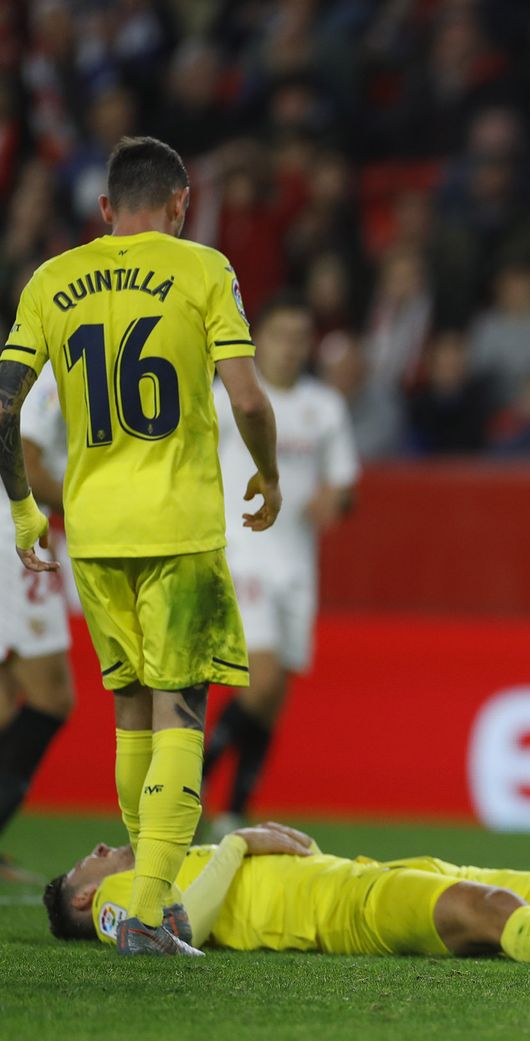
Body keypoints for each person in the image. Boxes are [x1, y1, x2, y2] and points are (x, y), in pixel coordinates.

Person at [0, 135, 282, 957]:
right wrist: (269, 473)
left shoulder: (52, 280)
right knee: (180, 707)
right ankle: (153, 906)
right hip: (177, 529)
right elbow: (250, 400)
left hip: (92, 532)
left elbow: (4, 401)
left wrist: (22, 508)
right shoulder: (203, 270)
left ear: (104, 209)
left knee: (130, 711)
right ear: (180, 203)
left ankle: (139, 891)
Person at [43, 822, 530, 966]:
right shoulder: (116, 901)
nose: (98, 851)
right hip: (343, 910)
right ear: (83, 901)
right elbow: (175, 933)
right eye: (84, 865)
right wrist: (236, 845)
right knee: (487, 908)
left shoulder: (172, 860)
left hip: (367, 870)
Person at [203, 294, 360, 832]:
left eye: (299, 337)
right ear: (256, 340)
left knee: (274, 698)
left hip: (298, 565)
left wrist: (334, 501)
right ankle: (191, 788)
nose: (290, 348)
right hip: (241, 556)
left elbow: (344, 483)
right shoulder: (226, 399)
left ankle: (236, 812)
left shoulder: (324, 407)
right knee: (261, 681)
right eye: (279, 335)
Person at [0, 362, 75, 881]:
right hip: (15, 530)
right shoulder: (52, 372)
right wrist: (96, 504)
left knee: (6, 699)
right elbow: (26, 456)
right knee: (51, 694)